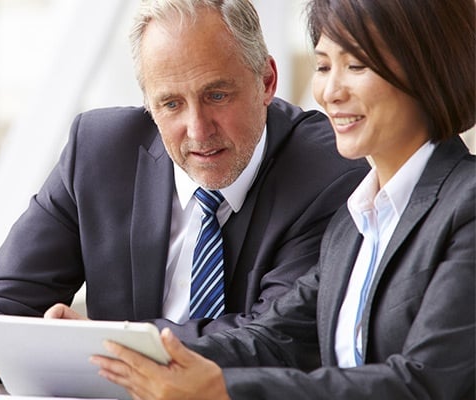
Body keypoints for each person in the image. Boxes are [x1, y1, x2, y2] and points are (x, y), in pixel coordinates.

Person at [0, 0, 369, 391]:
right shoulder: (99, 151)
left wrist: (105, 347)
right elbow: (1, 301)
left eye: (217, 95)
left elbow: (278, 339)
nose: (198, 130)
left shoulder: (330, 169)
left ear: (266, 81)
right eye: (171, 104)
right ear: (147, 102)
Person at [90, 0, 475, 398]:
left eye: (356, 66)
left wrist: (225, 390)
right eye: (324, 66)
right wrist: (117, 354)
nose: (331, 92)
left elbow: (427, 383)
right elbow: (274, 338)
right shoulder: (356, 221)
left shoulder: (467, 205)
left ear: (430, 68)